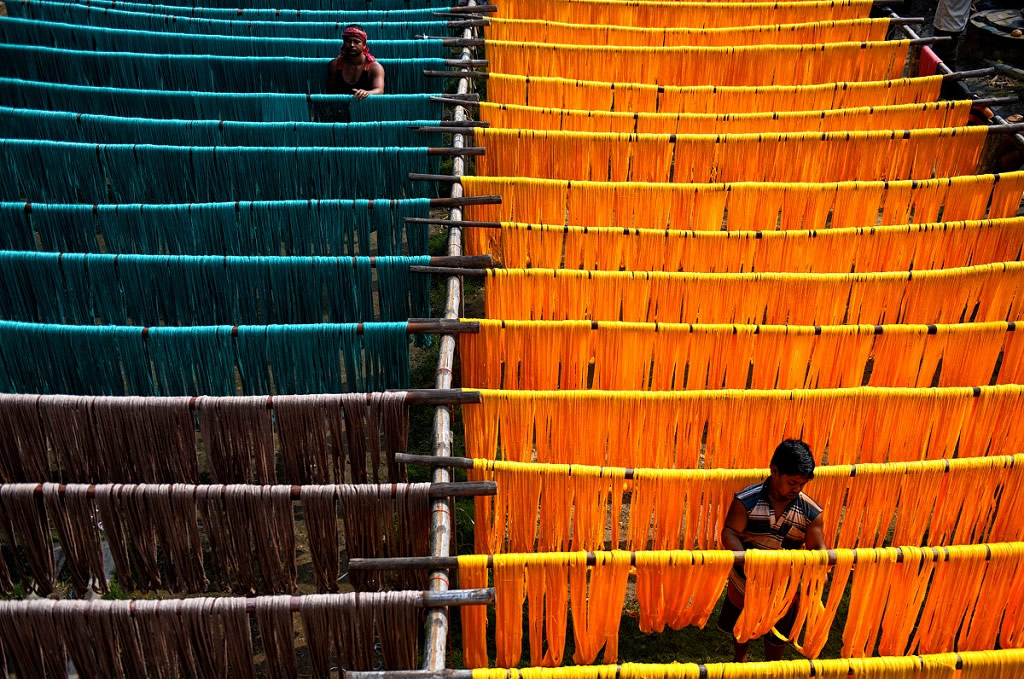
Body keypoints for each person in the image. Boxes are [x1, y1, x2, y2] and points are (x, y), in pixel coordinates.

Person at [718, 439, 825, 662]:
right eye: (792, 482)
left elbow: (817, 549)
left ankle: (773, 666)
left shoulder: (811, 512)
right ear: (774, 471)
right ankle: (741, 661)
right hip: (744, 579)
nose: (796, 489)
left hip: (784, 587)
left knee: (780, 631)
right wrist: (747, 561)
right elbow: (729, 532)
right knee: (741, 626)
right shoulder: (746, 500)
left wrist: (819, 567)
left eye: (802, 484)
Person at [327, 25, 386, 100]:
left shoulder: (374, 67)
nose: (352, 45)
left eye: (356, 42)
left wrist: (367, 93)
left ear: (364, 45)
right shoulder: (335, 65)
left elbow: (379, 90)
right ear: (343, 44)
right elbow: (330, 92)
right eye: (348, 41)